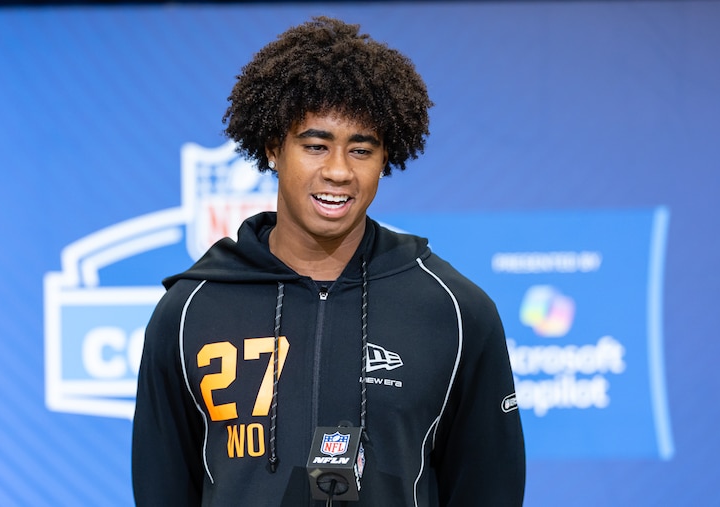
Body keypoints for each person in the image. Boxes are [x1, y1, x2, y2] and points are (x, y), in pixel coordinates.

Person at [132, 16, 525, 507]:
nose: (338, 171)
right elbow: (162, 490)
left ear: (386, 159)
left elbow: (490, 490)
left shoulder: (455, 311)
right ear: (274, 148)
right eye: (315, 146)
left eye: (361, 149)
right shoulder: (190, 312)